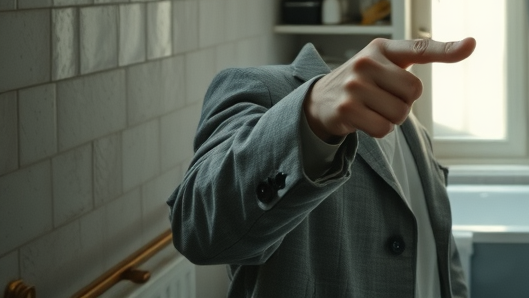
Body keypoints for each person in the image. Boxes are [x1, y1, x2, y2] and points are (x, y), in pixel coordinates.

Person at [167, 37, 476, 298]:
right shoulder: (262, 89)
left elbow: (442, 257)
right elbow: (197, 229)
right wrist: (310, 117)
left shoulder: (414, 128)